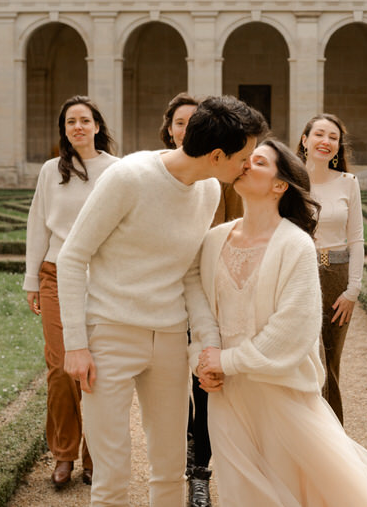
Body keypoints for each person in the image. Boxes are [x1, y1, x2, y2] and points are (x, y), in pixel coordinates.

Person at [192, 139, 367, 507]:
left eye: (257, 161)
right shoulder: (212, 241)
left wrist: (225, 361)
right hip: (227, 397)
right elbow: (200, 304)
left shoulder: (296, 245)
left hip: (283, 397)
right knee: (244, 496)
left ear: (280, 184)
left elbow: (294, 330)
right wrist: (205, 353)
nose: (244, 164)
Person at [57, 95, 268, 507]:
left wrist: (207, 342)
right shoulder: (128, 178)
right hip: (109, 335)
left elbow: (189, 271)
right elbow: (72, 255)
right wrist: (76, 344)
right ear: (217, 155)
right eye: (245, 157)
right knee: (112, 475)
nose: (249, 166)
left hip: (169, 337)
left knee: (170, 469)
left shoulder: (209, 190)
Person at [23, 96, 118, 488]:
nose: (78, 127)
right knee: (62, 369)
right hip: (56, 276)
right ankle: (64, 454)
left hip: (103, 280)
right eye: (70, 122)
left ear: (97, 126)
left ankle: (95, 455)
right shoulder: (51, 172)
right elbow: (37, 226)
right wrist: (31, 280)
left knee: (99, 371)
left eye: (85, 120)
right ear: (64, 130)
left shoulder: (116, 170)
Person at [160, 92, 241, 507]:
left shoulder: (217, 181)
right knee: (167, 387)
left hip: (206, 296)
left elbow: (232, 231)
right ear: (170, 128)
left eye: (193, 123)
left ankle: (199, 472)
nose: (186, 129)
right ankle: (174, 461)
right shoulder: (154, 175)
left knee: (202, 385)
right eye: (179, 123)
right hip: (159, 299)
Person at [296, 113, 363, 424]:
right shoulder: (290, 182)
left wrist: (353, 290)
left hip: (336, 276)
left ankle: (334, 435)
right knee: (304, 359)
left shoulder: (348, 183)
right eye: (319, 134)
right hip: (298, 276)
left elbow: (357, 238)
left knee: (331, 362)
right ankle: (304, 429)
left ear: (338, 146)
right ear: (305, 140)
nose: (326, 141)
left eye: (333, 137)